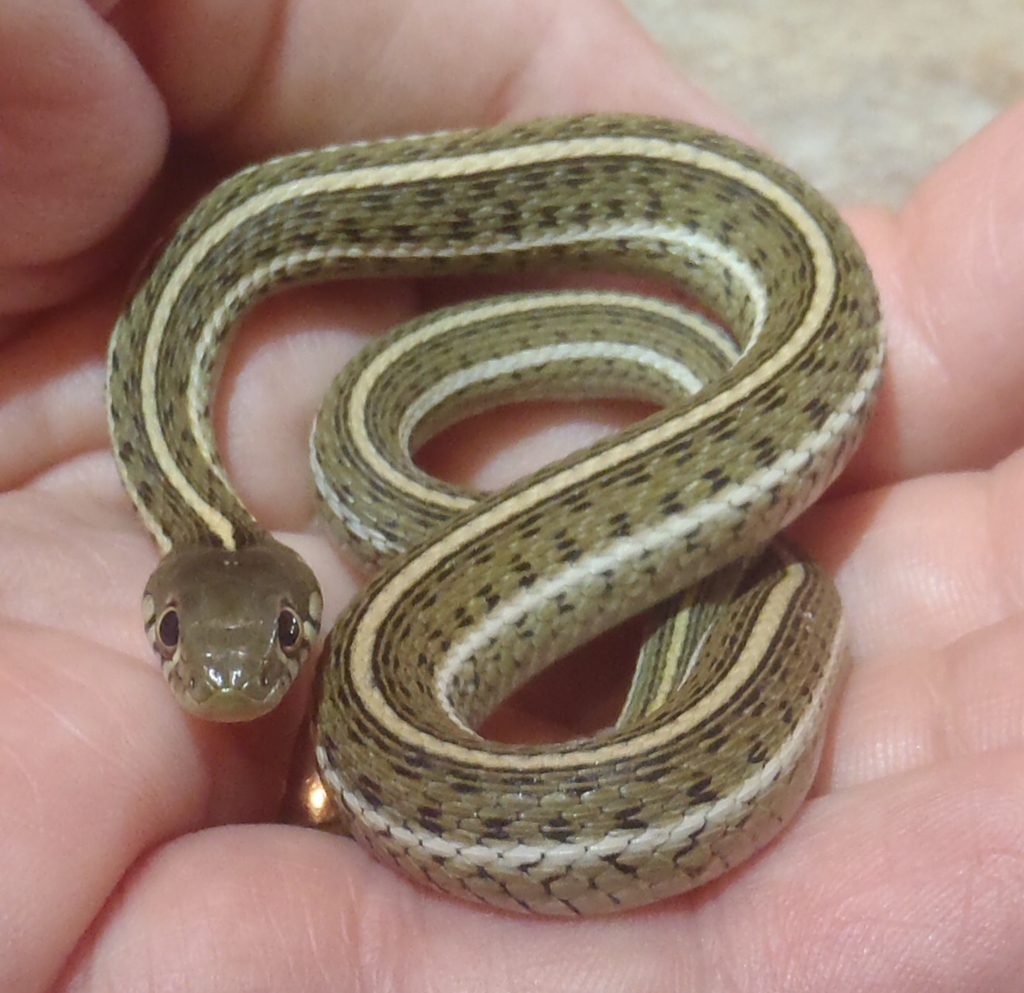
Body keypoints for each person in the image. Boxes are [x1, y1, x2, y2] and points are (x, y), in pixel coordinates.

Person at [3, 1, 1023, 990]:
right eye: (176, 640)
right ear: (158, 611)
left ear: (303, 611)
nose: (227, 679)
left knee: (763, 577)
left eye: (275, 642)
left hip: (763, 350)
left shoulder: (771, 278)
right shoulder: (185, 344)